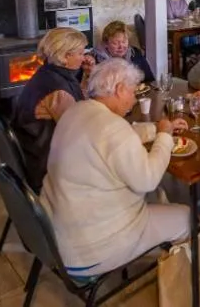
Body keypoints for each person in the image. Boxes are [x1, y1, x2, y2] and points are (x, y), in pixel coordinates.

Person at [41, 59, 191, 277]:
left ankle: (165, 243)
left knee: (157, 196)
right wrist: (165, 137)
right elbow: (148, 178)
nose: (133, 100)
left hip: (58, 234)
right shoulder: (113, 129)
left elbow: (112, 139)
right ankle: (181, 279)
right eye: (132, 92)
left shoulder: (76, 111)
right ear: (120, 89)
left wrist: (155, 129)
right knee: (185, 215)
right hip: (92, 251)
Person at [11, 28, 93, 192]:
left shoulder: (50, 74)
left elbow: (78, 103)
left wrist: (87, 76)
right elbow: (78, 134)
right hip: (46, 166)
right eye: (80, 53)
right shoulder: (58, 90)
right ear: (65, 57)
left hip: (35, 153)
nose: (84, 57)